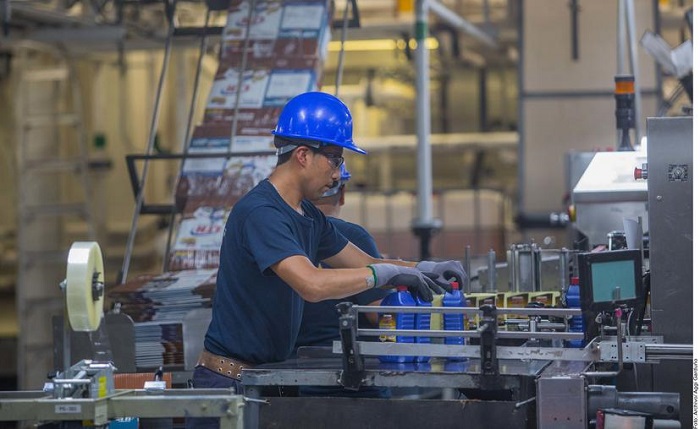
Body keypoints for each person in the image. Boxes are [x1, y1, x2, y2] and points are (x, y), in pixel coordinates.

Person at [190, 92, 467, 405]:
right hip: (230, 385)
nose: (338, 173)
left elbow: (363, 261)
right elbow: (312, 284)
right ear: (304, 155)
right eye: (335, 159)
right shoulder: (263, 213)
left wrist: (422, 269)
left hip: (265, 382)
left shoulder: (306, 215)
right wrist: (386, 273)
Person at [295, 163, 390, 398]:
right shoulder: (353, 236)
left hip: (293, 375)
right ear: (343, 194)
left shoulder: (286, 234)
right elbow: (377, 313)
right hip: (352, 382)